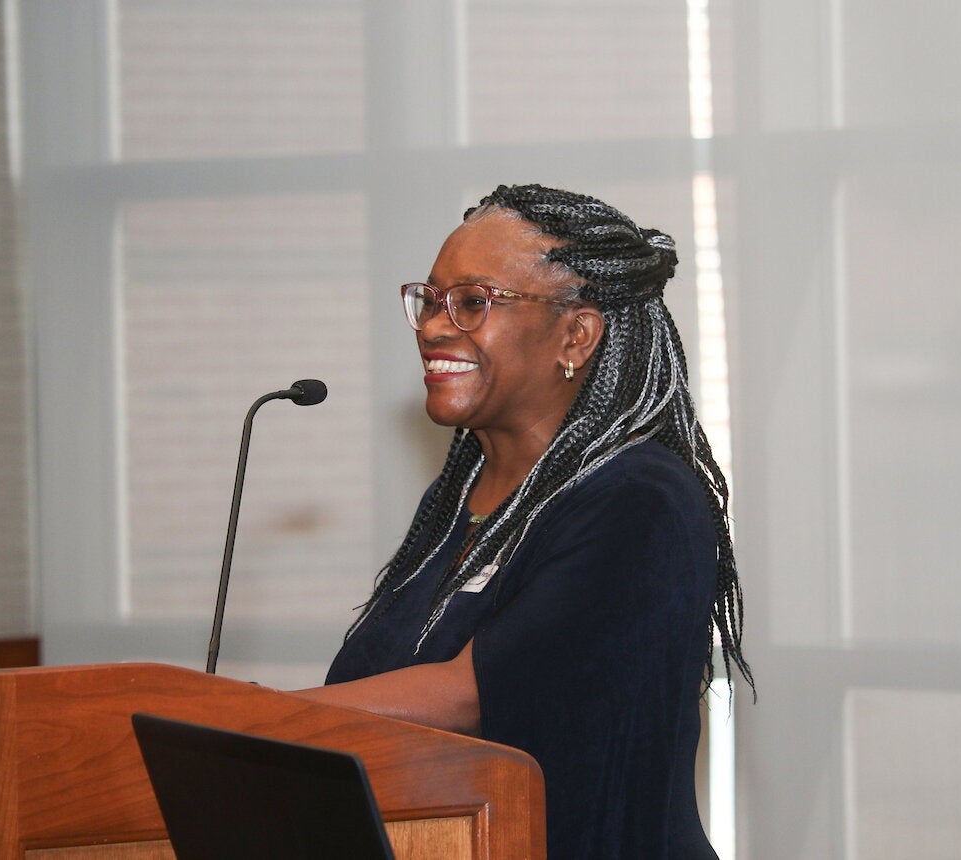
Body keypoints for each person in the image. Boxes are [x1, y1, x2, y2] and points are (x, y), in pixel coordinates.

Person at [296, 183, 752, 858]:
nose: (431, 327)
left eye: (472, 303)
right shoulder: (461, 500)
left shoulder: (640, 500)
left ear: (576, 335)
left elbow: (469, 696)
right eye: (429, 299)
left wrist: (246, 720)